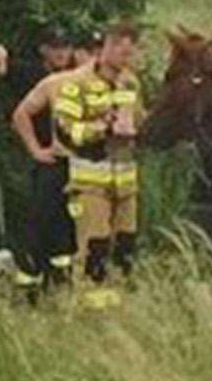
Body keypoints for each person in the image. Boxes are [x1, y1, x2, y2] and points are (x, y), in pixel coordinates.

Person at [49, 24, 146, 306]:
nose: (124, 55)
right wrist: (104, 127)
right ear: (102, 49)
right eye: (117, 46)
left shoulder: (131, 83)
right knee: (95, 249)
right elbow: (66, 132)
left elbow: (140, 120)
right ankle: (91, 311)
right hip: (90, 184)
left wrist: (136, 128)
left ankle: (121, 309)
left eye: (130, 49)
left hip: (126, 184)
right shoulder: (76, 82)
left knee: (125, 250)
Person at [9, 28, 89, 297]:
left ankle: (65, 283)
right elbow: (20, 114)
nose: (61, 53)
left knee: (73, 227)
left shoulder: (89, 81)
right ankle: (31, 286)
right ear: (43, 49)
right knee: (41, 223)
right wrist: (36, 150)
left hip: (83, 166)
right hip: (53, 164)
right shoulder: (42, 79)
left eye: (66, 47)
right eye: (55, 47)